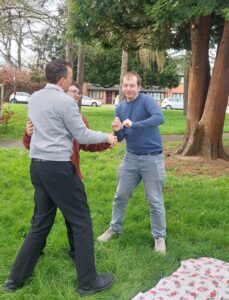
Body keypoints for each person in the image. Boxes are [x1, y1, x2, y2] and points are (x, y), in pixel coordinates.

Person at [3, 59, 117, 296]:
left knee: (40, 224)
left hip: (38, 167)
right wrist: (107, 136)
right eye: (70, 77)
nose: (71, 81)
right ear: (62, 79)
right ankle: (88, 282)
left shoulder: (34, 98)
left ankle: (14, 280)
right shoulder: (65, 102)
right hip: (59, 169)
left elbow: (36, 130)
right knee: (82, 221)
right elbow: (82, 135)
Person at [22, 83, 111, 259]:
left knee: (74, 220)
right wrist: (27, 134)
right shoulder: (45, 112)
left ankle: (77, 253)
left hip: (69, 173)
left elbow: (87, 142)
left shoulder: (78, 118)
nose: (77, 95)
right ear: (62, 90)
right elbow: (28, 144)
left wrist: (109, 140)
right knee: (41, 217)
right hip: (50, 172)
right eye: (73, 91)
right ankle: (35, 253)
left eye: (79, 93)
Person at [97, 71, 167, 254]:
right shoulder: (120, 108)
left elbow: (160, 118)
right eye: (125, 85)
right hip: (131, 158)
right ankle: (114, 228)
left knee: (154, 200)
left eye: (132, 85)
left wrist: (135, 124)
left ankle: (159, 237)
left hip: (152, 158)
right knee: (120, 196)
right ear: (122, 86)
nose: (128, 89)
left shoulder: (146, 101)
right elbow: (120, 138)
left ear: (139, 87)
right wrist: (118, 130)